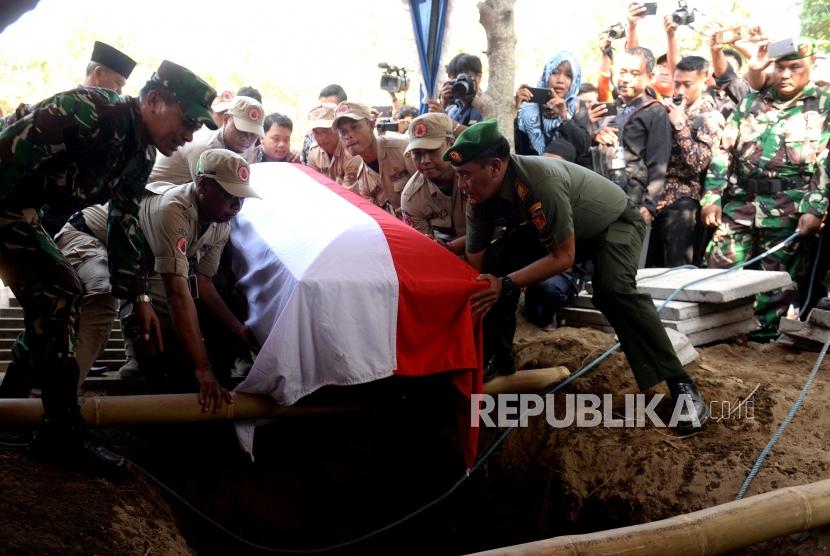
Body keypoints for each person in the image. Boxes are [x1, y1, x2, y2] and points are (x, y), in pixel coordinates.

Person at [0, 60, 217, 475]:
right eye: (187, 122)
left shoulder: (140, 151)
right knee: (61, 289)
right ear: (154, 101)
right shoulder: (89, 111)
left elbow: (125, 220)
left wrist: (137, 297)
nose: (189, 135)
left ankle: (10, 408)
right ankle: (59, 435)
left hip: (23, 210)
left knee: (56, 299)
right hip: (5, 199)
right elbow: (7, 152)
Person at [448, 119, 709, 428]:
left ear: (494, 166)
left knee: (613, 291)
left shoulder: (538, 180)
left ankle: (680, 384)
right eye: (458, 175)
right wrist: (487, 284)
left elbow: (563, 257)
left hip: (613, 223)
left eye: (466, 175)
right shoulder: (477, 199)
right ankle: (498, 361)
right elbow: (478, 263)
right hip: (561, 230)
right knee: (497, 260)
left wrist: (503, 285)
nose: (461, 184)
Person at [701, 39, 830, 340]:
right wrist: (711, 197)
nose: (785, 74)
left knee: (775, 282)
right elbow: (723, 152)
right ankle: (718, 335)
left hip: (789, 210)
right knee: (718, 269)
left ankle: (762, 341)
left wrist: (814, 209)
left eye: (795, 67)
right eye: (780, 67)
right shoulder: (752, 102)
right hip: (740, 204)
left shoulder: (824, 107)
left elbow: (827, 164)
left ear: (811, 65)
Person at [131, 149, 261, 396]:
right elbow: (177, 296)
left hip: (148, 265)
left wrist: (238, 329)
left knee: (213, 320)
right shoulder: (172, 209)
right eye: (229, 195)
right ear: (202, 184)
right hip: (100, 247)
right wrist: (202, 369)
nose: (236, 206)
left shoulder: (220, 220)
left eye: (241, 198)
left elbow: (202, 281)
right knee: (162, 334)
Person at [646, 56, 725, 268]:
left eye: (687, 85)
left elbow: (698, 163)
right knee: (647, 269)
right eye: (677, 83)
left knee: (676, 270)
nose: (680, 91)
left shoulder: (710, 117)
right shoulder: (664, 110)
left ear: (704, 80)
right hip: (652, 199)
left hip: (683, 202)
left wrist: (680, 126)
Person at [594, 47, 671, 227]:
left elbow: (659, 160)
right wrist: (595, 136)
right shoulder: (614, 107)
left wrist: (649, 205)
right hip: (602, 186)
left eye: (635, 73)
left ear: (650, 77)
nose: (626, 79)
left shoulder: (655, 111)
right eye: (622, 72)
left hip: (631, 194)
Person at [150, 95, 264, 184]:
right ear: (226, 119)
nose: (246, 138)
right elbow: (209, 197)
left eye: (253, 134)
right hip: (150, 197)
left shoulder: (248, 148)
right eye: (241, 130)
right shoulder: (205, 148)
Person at [400, 113, 466, 254]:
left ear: (451, 144)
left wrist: (451, 247)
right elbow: (424, 251)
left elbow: (493, 229)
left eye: (432, 151)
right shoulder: (411, 197)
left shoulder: (473, 176)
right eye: (417, 154)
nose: (424, 160)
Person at [333, 101, 413, 215]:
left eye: (355, 127)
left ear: (371, 125)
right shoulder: (362, 178)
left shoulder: (402, 148)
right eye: (343, 131)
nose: (348, 136)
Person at [514, 52, 593, 167]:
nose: (560, 80)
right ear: (546, 74)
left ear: (574, 81)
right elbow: (514, 146)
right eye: (555, 73)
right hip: (530, 173)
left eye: (568, 75)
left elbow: (583, 146)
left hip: (568, 178)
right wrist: (515, 110)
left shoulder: (576, 106)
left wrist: (564, 116)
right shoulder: (529, 106)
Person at [429, 53, 494, 128]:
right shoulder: (454, 108)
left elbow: (475, 136)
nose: (459, 82)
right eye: (455, 78)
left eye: (464, 78)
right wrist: (444, 104)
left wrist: (445, 119)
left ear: (479, 77)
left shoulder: (486, 105)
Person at [305, 103, 358, 185]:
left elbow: (349, 192)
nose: (323, 137)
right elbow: (311, 184)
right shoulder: (314, 152)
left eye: (327, 130)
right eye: (317, 132)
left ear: (338, 128)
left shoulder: (351, 152)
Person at [301, 84, 348, 164]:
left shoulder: (352, 144)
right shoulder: (310, 137)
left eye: (331, 108)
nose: (322, 137)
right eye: (321, 107)